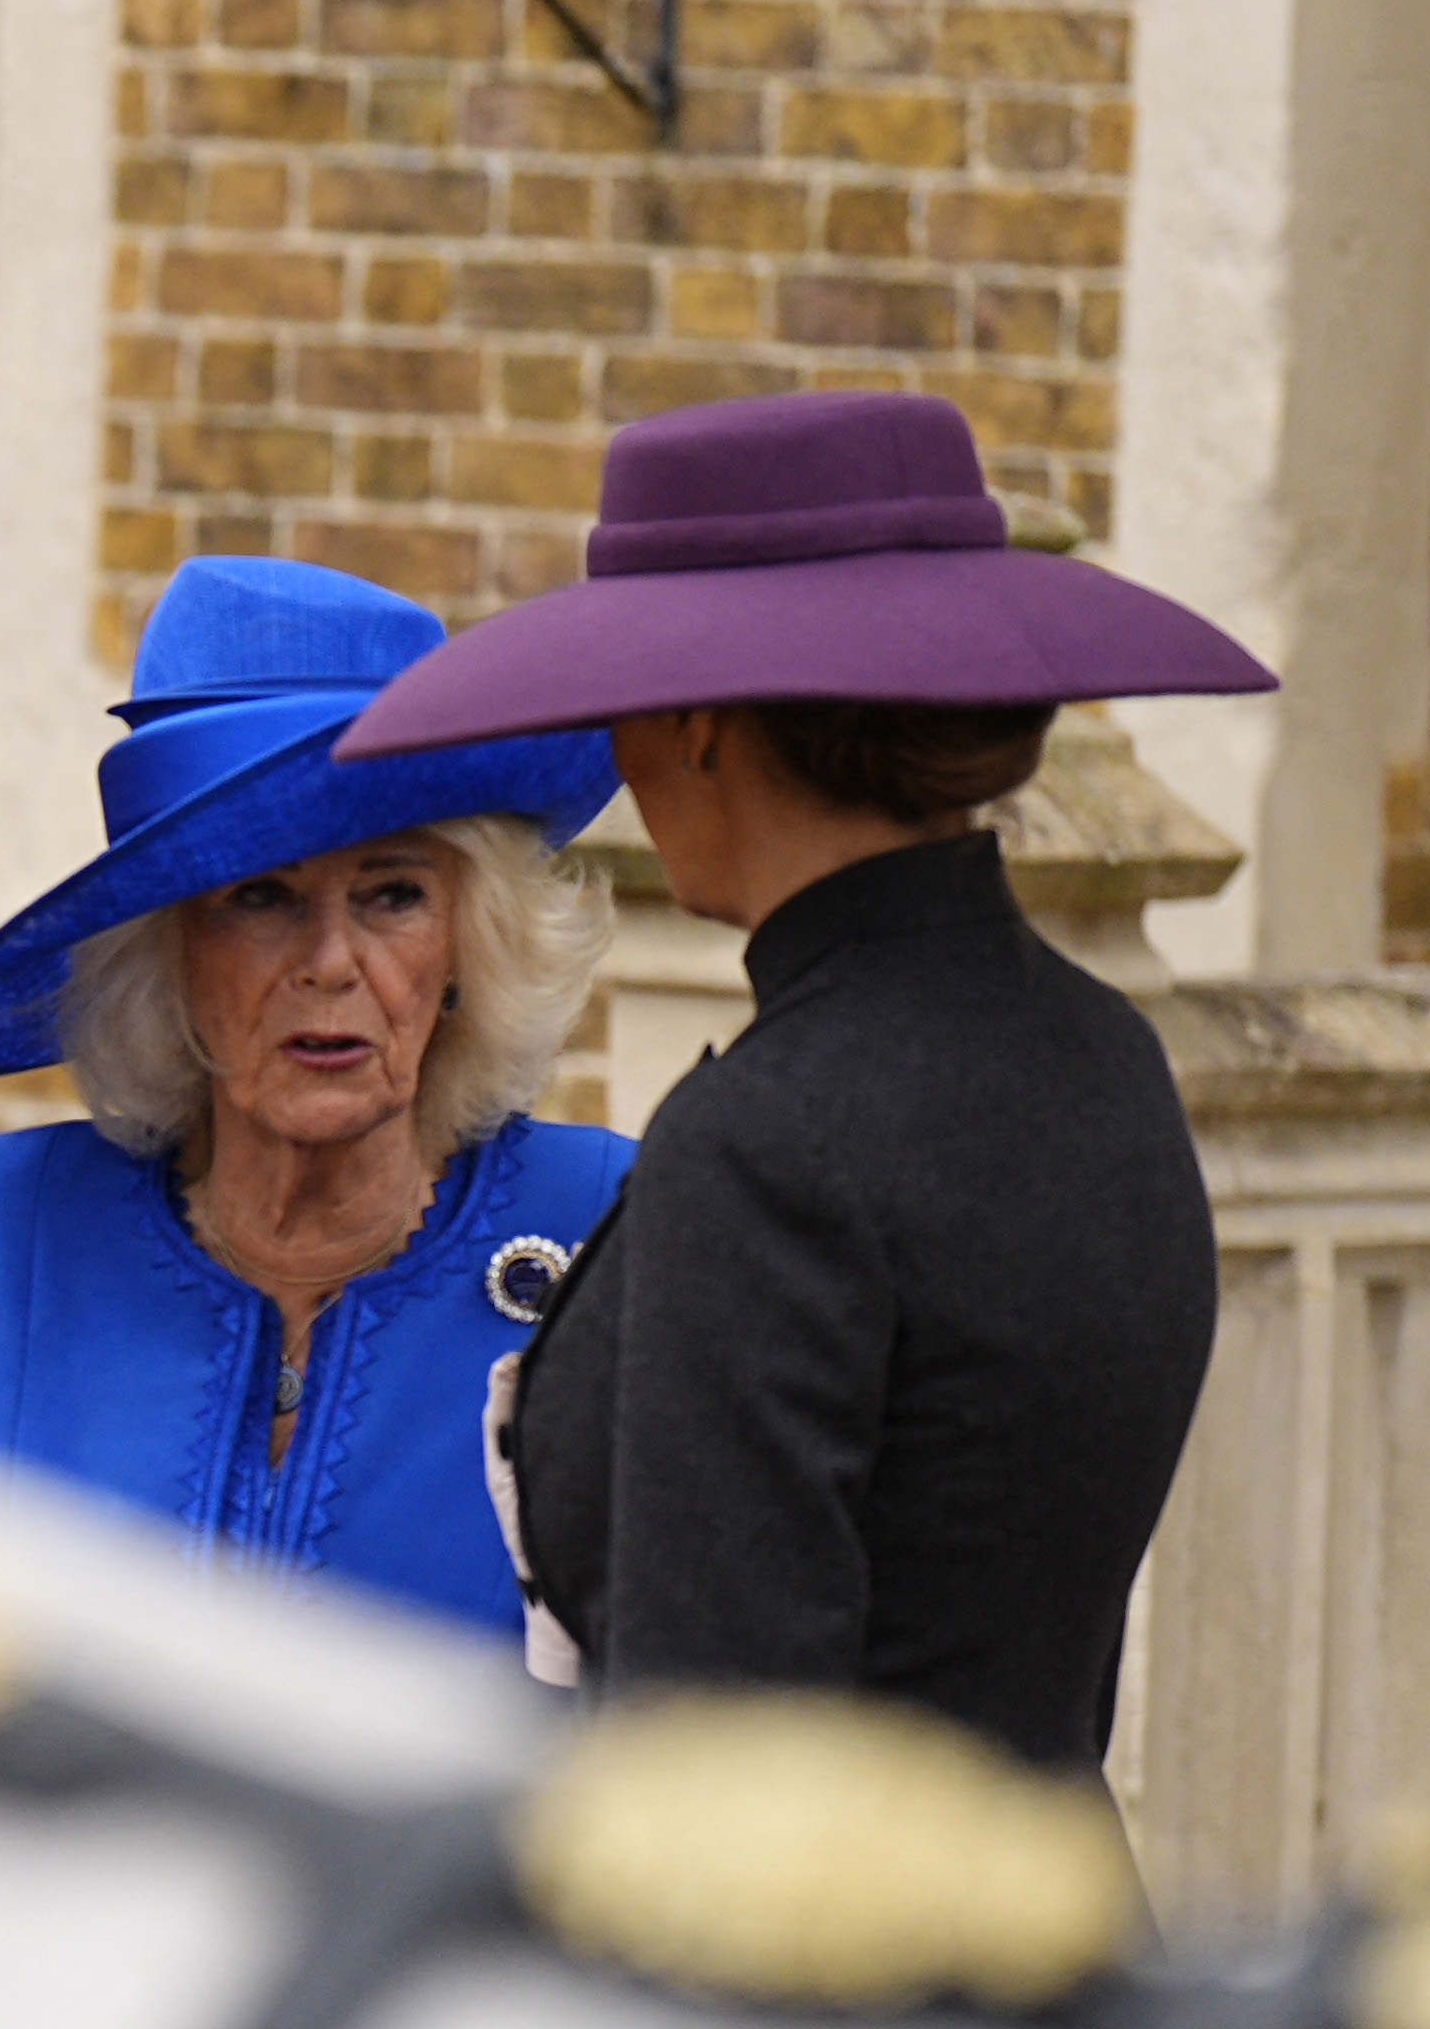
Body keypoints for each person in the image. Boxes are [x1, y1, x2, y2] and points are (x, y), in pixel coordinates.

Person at [340, 386, 1280, 1764]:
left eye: (631, 702)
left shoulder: (775, 1143)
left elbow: (718, 1765)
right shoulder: (1102, 1052)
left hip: (845, 1962)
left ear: (704, 725)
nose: (622, 758)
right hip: (1062, 1932)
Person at [0, 555, 629, 1641]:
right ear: (169, 951)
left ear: (469, 941)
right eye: (262, 897)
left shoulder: (609, 1223)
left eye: (393, 894)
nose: (331, 962)